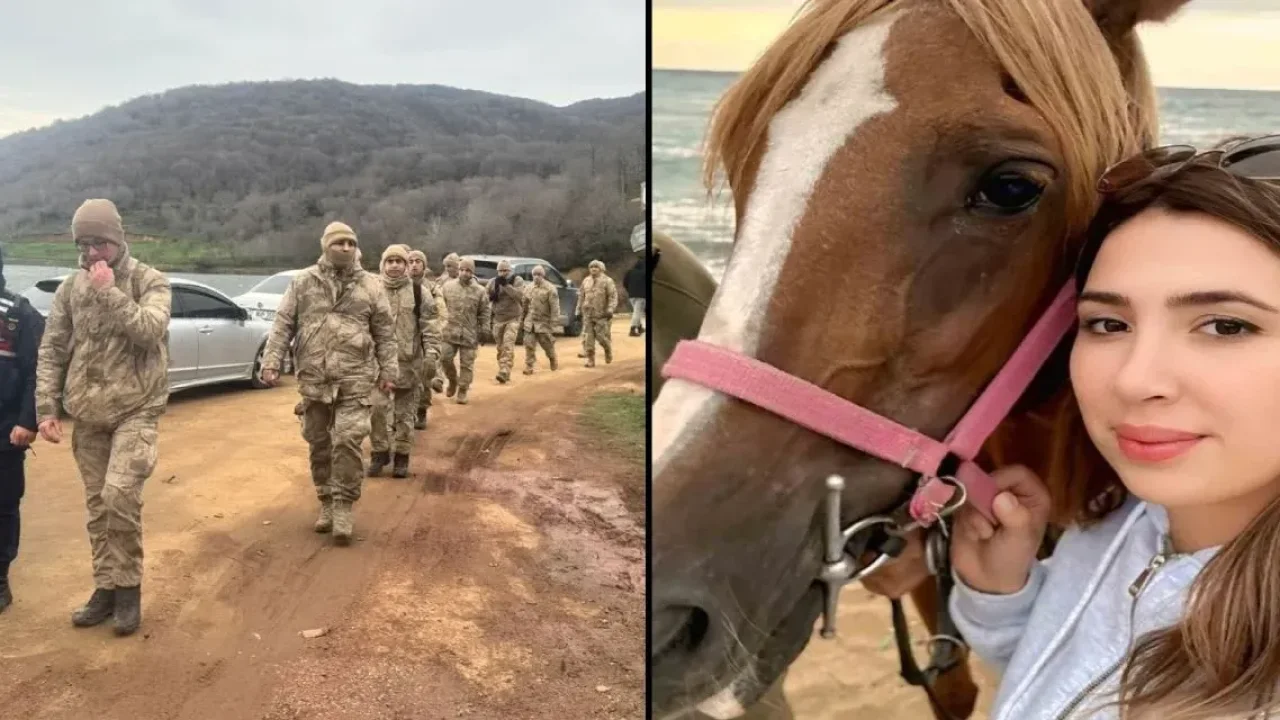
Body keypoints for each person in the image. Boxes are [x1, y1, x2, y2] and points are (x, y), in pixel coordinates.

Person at [950, 141, 1280, 719]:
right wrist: (1002, 593)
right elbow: (1053, 677)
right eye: (1108, 322)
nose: (1133, 379)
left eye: (1226, 325)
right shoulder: (1121, 521)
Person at [35, 198, 171, 636]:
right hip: (88, 414)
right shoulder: (70, 288)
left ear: (118, 239)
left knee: (119, 496)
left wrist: (109, 290)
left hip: (137, 410)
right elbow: (53, 348)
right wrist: (46, 408)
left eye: (101, 243)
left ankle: (129, 590)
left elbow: (151, 331)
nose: (92, 253)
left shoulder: (150, 280)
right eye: (84, 244)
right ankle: (106, 587)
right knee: (97, 506)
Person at [258, 221, 397, 546]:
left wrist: (388, 373)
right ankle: (325, 499)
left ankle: (344, 505)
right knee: (318, 443)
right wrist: (271, 361)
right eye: (339, 243)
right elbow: (282, 325)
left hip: (355, 379)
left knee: (348, 441)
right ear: (325, 246)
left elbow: (385, 334)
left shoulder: (371, 286)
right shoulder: (303, 282)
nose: (346, 247)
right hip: (314, 378)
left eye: (351, 242)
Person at [367, 245, 436, 479]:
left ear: (407, 265)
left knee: (405, 415)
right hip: (378, 366)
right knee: (376, 409)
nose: (394, 265)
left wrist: (432, 355)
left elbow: (430, 327)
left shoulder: (419, 292)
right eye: (390, 261)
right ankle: (379, 452)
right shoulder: (372, 291)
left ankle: (402, 457)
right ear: (383, 265)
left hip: (409, 365)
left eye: (399, 261)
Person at [0, 244, 43, 614]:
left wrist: (28, 421)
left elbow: (36, 374)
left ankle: (0, 578)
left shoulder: (19, 316)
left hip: (6, 432)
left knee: (4, 506)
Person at [439, 258, 490, 405]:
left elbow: (485, 312)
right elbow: (440, 308)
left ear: (472, 272)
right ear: (458, 270)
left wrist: (485, 330)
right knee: (444, 358)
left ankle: (462, 389)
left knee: (467, 364)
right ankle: (453, 380)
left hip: (470, 334)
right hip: (449, 332)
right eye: (462, 270)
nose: (464, 273)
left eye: (468, 270)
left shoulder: (480, 291)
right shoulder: (447, 287)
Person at [407, 249, 444, 429]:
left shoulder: (432, 289)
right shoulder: (397, 285)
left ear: (424, 265)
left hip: (423, 337)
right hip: (403, 339)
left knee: (423, 377)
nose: (414, 264)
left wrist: (433, 343)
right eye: (411, 261)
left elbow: (439, 315)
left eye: (418, 261)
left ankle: (421, 410)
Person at [575, 260, 618, 368]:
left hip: (601, 314)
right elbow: (581, 296)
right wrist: (578, 310)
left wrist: (610, 309)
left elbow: (612, 296)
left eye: (596, 267)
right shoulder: (586, 281)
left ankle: (607, 349)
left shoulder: (607, 281)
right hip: (588, 314)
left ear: (601, 269)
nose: (593, 269)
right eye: (591, 267)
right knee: (588, 338)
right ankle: (590, 360)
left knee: (601, 337)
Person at [488, 260, 524, 384]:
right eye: (500, 271)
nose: (503, 273)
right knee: (500, 348)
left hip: (513, 318)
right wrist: (495, 289)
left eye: (505, 271)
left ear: (510, 271)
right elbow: (487, 297)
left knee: (508, 345)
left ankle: (504, 369)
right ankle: (503, 370)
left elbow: (519, 296)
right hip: (498, 319)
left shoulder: (517, 280)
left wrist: (506, 286)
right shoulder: (493, 282)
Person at [522, 265, 560, 375]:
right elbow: (524, 304)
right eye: (534, 274)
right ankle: (529, 366)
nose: (536, 277)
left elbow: (555, 307)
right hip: (530, 322)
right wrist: (522, 319)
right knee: (529, 344)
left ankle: (552, 358)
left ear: (543, 276)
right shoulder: (528, 288)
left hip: (543, 322)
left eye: (539, 275)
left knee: (546, 344)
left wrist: (554, 322)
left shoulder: (550, 289)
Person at [623, 251, 647, 337]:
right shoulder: (645, 273)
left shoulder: (630, 272)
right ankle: (632, 329)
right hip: (642, 296)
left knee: (637, 311)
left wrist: (629, 290)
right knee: (637, 312)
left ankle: (639, 327)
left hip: (631, 295)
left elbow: (625, 283)